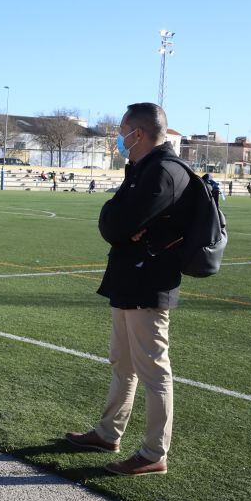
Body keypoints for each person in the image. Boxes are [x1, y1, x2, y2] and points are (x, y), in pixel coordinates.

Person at [64, 102, 191, 476]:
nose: (118, 138)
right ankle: (108, 433)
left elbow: (118, 224)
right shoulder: (141, 168)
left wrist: (118, 224)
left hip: (147, 284)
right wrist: (117, 223)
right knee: (122, 363)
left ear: (138, 133)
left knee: (154, 371)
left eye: (122, 131)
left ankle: (154, 453)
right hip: (128, 280)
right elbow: (113, 220)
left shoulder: (163, 172)